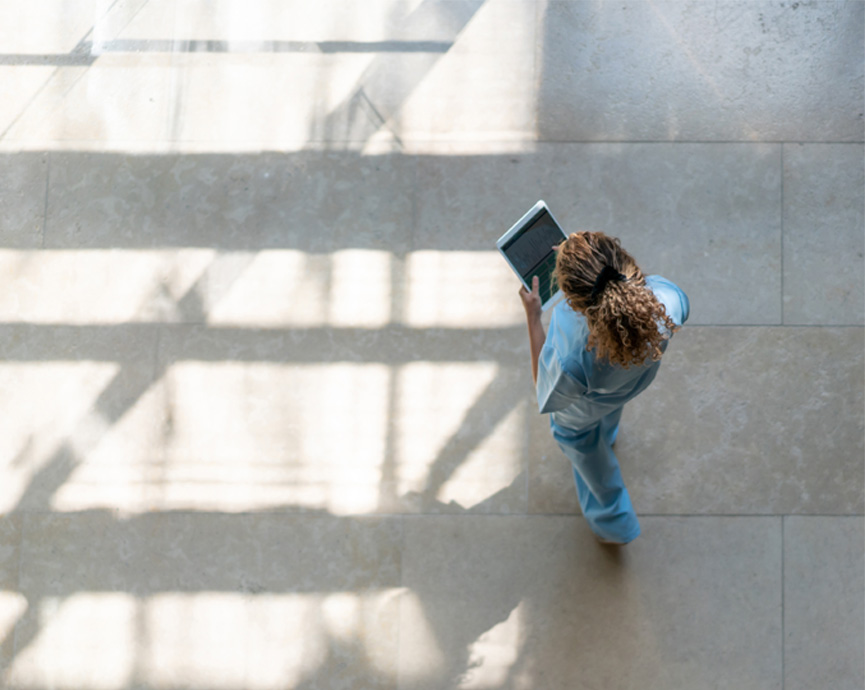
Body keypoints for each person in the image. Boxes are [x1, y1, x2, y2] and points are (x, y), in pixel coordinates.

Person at [519, 231, 689, 545]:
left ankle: (615, 524)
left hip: (582, 410)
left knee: (584, 449)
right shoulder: (669, 300)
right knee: (609, 411)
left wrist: (533, 317)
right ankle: (608, 436)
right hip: (632, 383)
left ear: (574, 301)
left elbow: (547, 392)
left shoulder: (572, 350)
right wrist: (587, 259)